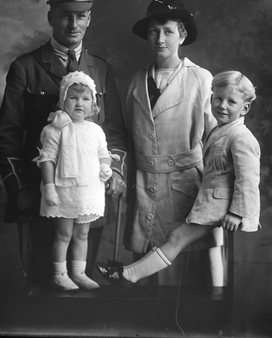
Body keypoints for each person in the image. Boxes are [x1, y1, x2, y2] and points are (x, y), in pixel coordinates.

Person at [0, 0, 127, 286]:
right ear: (51, 17)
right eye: (66, 15)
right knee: (43, 286)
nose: (73, 24)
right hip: (43, 198)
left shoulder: (102, 70)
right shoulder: (26, 68)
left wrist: (115, 169)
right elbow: (8, 137)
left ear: (90, 19)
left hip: (88, 196)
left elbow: (115, 132)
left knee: (83, 284)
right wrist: (20, 189)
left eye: (81, 16)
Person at [97, 70, 261, 290]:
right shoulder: (220, 131)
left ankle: (128, 275)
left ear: (245, 108)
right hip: (209, 202)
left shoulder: (241, 137)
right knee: (175, 238)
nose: (222, 105)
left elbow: (248, 180)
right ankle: (128, 274)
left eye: (231, 102)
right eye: (218, 99)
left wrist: (237, 212)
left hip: (219, 207)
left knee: (176, 238)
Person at [105, 0, 224, 287]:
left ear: (182, 35)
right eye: (154, 32)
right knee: (146, 277)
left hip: (186, 188)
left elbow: (216, 141)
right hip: (144, 185)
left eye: (168, 31)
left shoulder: (200, 79)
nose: (160, 39)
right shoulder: (136, 81)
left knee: (185, 272)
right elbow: (129, 137)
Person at [34, 71, 114, 290]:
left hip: (87, 191)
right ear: (62, 100)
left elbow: (103, 153)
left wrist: (106, 166)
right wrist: (49, 188)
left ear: (93, 104)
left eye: (86, 99)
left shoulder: (95, 130)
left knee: (83, 233)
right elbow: (47, 159)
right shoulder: (54, 130)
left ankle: (79, 273)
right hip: (63, 191)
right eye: (74, 97)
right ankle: (59, 274)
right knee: (64, 233)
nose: (80, 103)